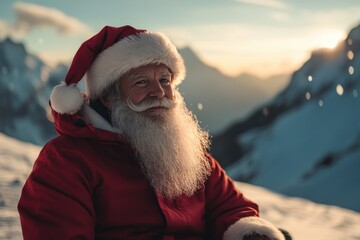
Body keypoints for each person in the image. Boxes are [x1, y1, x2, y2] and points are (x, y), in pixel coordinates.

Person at [18, 25, 289, 240]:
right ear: (110, 97)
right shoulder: (66, 161)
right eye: (141, 81)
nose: (159, 92)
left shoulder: (192, 158)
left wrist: (250, 233)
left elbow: (230, 207)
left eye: (164, 80)